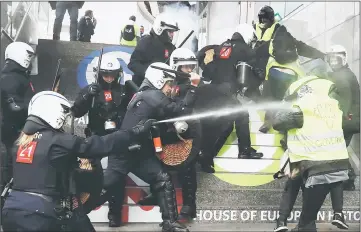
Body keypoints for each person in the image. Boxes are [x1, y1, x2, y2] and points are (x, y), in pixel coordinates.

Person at [1, 91, 153, 231]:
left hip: (11, 211)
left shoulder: (20, 142)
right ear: (53, 113)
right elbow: (100, 145)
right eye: (64, 113)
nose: (66, 118)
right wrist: (134, 132)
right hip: (40, 215)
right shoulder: (58, 141)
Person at [96, 62, 199, 232]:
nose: (170, 88)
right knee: (104, 187)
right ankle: (76, 211)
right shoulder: (153, 96)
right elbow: (181, 110)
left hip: (139, 152)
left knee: (162, 180)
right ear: (159, 81)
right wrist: (194, 87)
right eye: (169, 83)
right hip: (123, 152)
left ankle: (170, 224)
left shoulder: (146, 95)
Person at [271, 70, 349, 231]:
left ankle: (283, 222)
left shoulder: (302, 106)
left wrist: (287, 102)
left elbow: (277, 122)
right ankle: (333, 216)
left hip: (309, 162)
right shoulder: (333, 105)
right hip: (335, 164)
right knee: (309, 215)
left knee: (296, 196)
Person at [138, 48, 202, 221]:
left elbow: (187, 110)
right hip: (167, 130)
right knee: (153, 156)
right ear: (175, 67)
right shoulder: (167, 84)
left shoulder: (195, 86)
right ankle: (156, 190)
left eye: (191, 66)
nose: (189, 70)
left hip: (187, 132)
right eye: (185, 67)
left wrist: (194, 88)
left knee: (188, 168)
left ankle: (189, 205)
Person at [71, 53, 128, 227]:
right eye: (106, 74)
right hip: (96, 136)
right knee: (91, 174)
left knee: (117, 177)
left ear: (118, 73)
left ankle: (114, 214)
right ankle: (84, 207)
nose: (109, 78)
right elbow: (76, 111)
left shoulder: (125, 90)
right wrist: (87, 95)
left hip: (117, 137)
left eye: (113, 74)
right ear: (99, 73)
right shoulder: (92, 90)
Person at [205, 23, 264, 161]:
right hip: (229, 90)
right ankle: (207, 155)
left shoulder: (222, 46)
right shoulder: (245, 49)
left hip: (214, 88)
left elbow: (210, 69)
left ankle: (243, 150)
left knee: (238, 117)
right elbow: (253, 74)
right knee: (229, 124)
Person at [0, 42, 36, 199]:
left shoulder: (16, 76)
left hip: (14, 131)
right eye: (29, 56)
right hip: (11, 132)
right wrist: (36, 108)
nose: (30, 60)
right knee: (9, 171)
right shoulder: (10, 78)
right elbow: (14, 107)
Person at [128, 13, 179, 86]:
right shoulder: (146, 42)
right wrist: (149, 73)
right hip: (143, 85)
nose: (173, 35)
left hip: (163, 87)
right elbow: (133, 64)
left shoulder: (171, 47)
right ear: (160, 29)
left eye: (173, 32)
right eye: (170, 32)